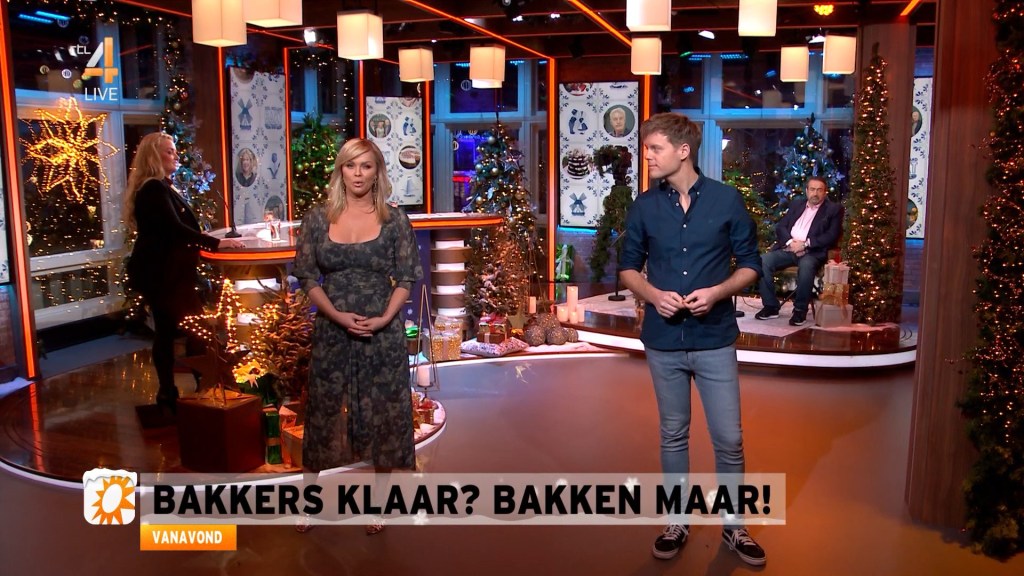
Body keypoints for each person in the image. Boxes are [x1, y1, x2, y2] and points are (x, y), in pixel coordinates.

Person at [618, 113, 766, 566]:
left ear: (683, 151)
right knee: (673, 434)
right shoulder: (644, 206)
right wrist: (653, 294)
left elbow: (751, 264)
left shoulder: (726, 200)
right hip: (663, 340)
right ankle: (677, 522)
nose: (647, 156)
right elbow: (627, 268)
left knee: (729, 439)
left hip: (714, 337)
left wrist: (718, 292)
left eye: (655, 148)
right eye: (646, 148)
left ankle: (734, 528)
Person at [293, 138, 423, 531]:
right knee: (323, 411)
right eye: (351, 166)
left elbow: (406, 278)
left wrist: (384, 318)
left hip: (381, 333)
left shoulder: (394, 220)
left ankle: (378, 505)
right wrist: (334, 314)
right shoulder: (318, 218)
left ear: (377, 171)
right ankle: (307, 503)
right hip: (332, 331)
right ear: (341, 171)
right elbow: (307, 276)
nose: (358, 174)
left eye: (366, 166)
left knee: (383, 412)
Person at [125, 132, 244, 413]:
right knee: (196, 330)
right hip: (165, 276)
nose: (176, 156)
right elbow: (175, 230)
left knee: (168, 333)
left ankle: (171, 393)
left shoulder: (160, 187)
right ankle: (204, 386)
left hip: (168, 274)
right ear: (154, 156)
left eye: (174, 150)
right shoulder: (153, 189)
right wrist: (216, 243)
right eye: (169, 151)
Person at [754, 176, 843, 326]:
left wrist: (805, 244)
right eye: (812, 189)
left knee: (806, 266)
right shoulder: (796, 204)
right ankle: (771, 307)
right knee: (763, 261)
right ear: (807, 191)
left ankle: (800, 310)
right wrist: (791, 242)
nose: (815, 193)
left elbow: (831, 235)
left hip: (812, 253)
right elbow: (781, 227)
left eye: (819, 190)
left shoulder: (833, 209)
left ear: (825, 192)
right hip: (789, 249)